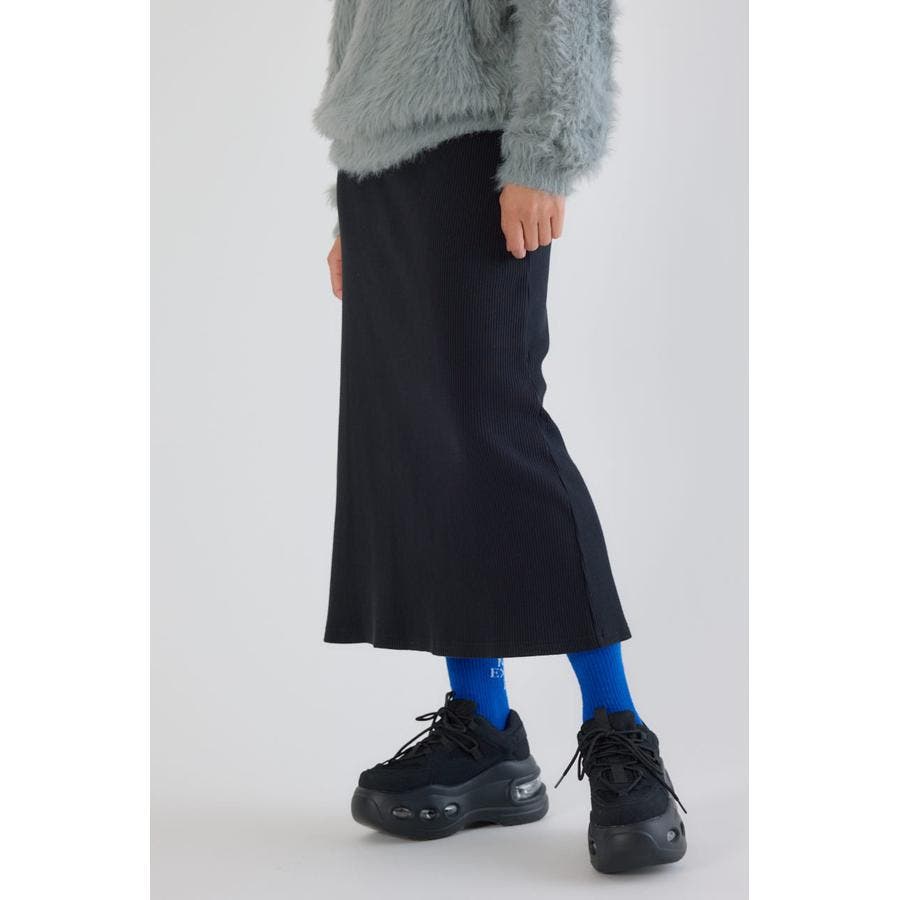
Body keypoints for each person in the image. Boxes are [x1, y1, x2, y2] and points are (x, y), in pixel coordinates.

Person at [313, 0, 686, 874]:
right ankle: (484, 732)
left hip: (477, 143)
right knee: (422, 448)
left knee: (495, 430)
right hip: (380, 166)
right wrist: (349, 199)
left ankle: (618, 726)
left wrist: (545, 153)